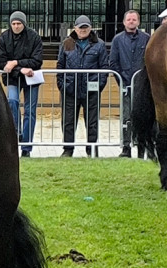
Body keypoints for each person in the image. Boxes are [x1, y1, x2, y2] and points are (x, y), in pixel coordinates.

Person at [57, 15, 109, 157]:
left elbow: (104, 67)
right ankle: (68, 149)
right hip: (70, 89)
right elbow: (60, 65)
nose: (83, 30)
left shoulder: (99, 44)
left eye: (86, 27)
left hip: (91, 90)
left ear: (90, 28)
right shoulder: (67, 43)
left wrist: (99, 85)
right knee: (68, 121)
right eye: (80, 27)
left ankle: (92, 149)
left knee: (92, 122)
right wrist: (62, 85)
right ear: (75, 28)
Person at [0, 10, 44, 157]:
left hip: (31, 79)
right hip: (13, 78)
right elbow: (1, 62)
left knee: (30, 111)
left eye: (19, 23)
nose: (16, 26)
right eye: (14, 24)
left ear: (24, 23)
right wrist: (21, 69)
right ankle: (17, 134)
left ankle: (26, 147)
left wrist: (16, 63)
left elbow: (37, 60)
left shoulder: (34, 37)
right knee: (12, 101)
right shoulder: (4, 38)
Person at [108, 10, 150, 158]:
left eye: (134, 19)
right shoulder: (117, 40)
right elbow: (113, 62)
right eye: (129, 19)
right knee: (126, 117)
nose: (131, 22)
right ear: (124, 22)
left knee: (143, 117)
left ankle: (142, 146)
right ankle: (126, 147)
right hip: (126, 85)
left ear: (138, 22)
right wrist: (122, 81)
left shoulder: (147, 39)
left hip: (143, 87)